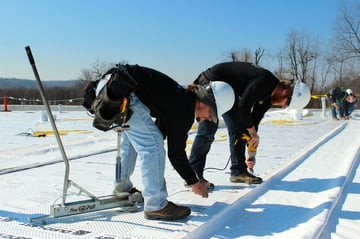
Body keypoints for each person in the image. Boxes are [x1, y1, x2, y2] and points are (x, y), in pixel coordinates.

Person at [82, 64, 235, 220]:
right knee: (152, 145)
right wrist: (194, 182)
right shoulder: (184, 108)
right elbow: (176, 153)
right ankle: (156, 205)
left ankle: (122, 188)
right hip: (124, 91)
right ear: (205, 101)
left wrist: (157, 168)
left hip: (113, 86)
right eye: (212, 113)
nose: (209, 119)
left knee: (138, 141)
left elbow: (159, 132)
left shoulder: (180, 98)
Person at [188, 62, 292, 186]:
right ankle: (193, 177)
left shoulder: (268, 98)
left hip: (228, 92)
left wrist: (251, 151)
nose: (284, 106)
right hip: (212, 84)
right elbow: (244, 106)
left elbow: (253, 122)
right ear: (285, 91)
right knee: (207, 131)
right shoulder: (265, 79)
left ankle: (238, 171)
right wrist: (252, 132)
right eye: (287, 102)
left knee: (240, 130)